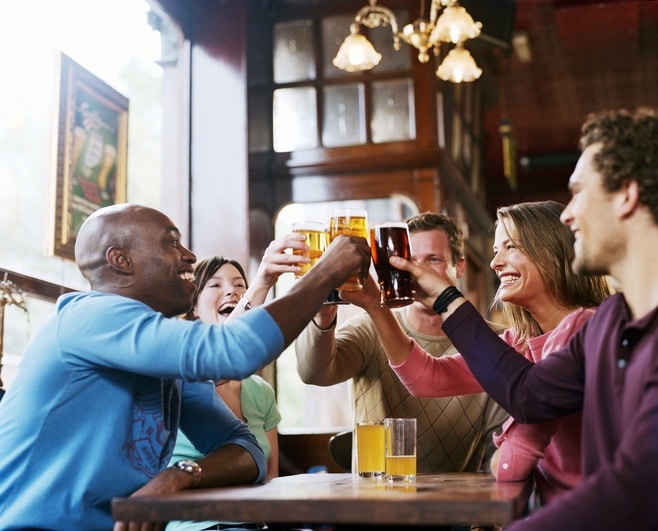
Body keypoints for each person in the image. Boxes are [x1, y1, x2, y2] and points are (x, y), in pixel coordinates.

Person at [0, 203, 371, 531]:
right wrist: (324, 273)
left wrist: (180, 475)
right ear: (120, 259)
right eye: (172, 242)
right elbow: (234, 352)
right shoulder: (90, 315)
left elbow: (247, 450)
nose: (191, 255)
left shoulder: (160, 357)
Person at [388, 107, 658, 530]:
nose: (568, 215)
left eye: (579, 192)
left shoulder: (596, 325)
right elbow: (528, 396)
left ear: (626, 194)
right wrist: (410, 299)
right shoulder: (607, 324)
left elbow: (634, 488)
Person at [357, 201, 610, 505]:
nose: (495, 263)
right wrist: (374, 303)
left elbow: (508, 466)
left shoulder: (588, 329)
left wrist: (447, 299)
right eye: (495, 251)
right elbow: (426, 379)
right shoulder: (521, 340)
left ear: (554, 253)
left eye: (510, 247)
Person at [295, 212, 508, 474]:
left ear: (459, 266)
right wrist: (324, 312)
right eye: (407, 260)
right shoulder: (370, 327)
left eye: (433, 259)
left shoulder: (495, 342)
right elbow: (313, 372)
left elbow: (499, 448)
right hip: (378, 505)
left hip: (459, 505)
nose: (416, 271)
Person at [167, 248, 291, 531]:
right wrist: (262, 282)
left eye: (239, 286)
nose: (232, 293)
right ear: (194, 308)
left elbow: (269, 480)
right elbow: (219, 354)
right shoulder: (181, 370)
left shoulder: (260, 392)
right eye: (215, 285)